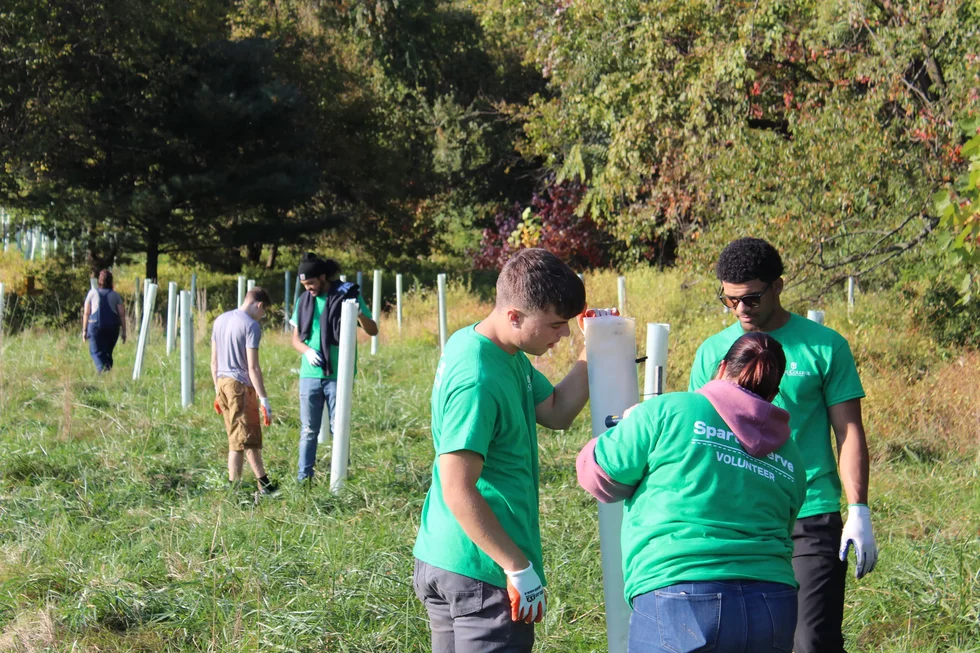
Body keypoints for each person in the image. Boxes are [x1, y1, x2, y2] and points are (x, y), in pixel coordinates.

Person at [688, 237, 878, 653]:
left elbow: (849, 432)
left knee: (811, 641)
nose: (741, 310)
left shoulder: (825, 347)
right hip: (738, 519)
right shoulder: (712, 353)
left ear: (778, 285)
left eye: (751, 299)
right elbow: (699, 437)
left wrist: (858, 509)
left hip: (809, 515)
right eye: (730, 300)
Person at [413, 248, 604, 653]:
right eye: (555, 325)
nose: (564, 335)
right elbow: (457, 488)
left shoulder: (501, 350)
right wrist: (516, 567)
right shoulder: (479, 379)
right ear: (514, 315)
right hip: (483, 570)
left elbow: (556, 411)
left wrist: (595, 350)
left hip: (450, 556)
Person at [577, 332, 807, 653]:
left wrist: (630, 424)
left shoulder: (668, 409)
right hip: (772, 604)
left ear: (722, 367)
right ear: (774, 392)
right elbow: (786, 520)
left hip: (681, 593)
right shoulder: (790, 452)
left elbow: (598, 476)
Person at [290, 253, 378, 482]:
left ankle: (339, 477)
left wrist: (358, 313)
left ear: (322, 277)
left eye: (310, 283)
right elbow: (296, 339)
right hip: (310, 375)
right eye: (304, 285)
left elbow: (373, 330)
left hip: (339, 375)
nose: (308, 288)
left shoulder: (347, 296)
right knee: (309, 430)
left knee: (339, 428)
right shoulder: (303, 301)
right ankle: (304, 479)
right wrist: (307, 352)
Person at [211, 287, 278, 496]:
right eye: (264, 312)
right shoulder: (251, 326)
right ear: (259, 305)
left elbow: (213, 362)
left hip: (222, 382)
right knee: (244, 438)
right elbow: (253, 367)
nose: (263, 316)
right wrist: (264, 398)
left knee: (240, 437)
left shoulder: (220, 320)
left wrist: (217, 389)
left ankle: (256, 485)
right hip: (239, 386)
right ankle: (241, 488)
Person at [81, 269, 127, 373]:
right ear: (111, 281)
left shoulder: (92, 293)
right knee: (107, 352)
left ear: (99, 281)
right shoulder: (116, 295)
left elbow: (86, 313)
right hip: (112, 327)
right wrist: (124, 332)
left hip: (95, 326)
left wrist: (84, 330)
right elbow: (122, 314)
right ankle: (108, 374)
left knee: (95, 351)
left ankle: (103, 372)